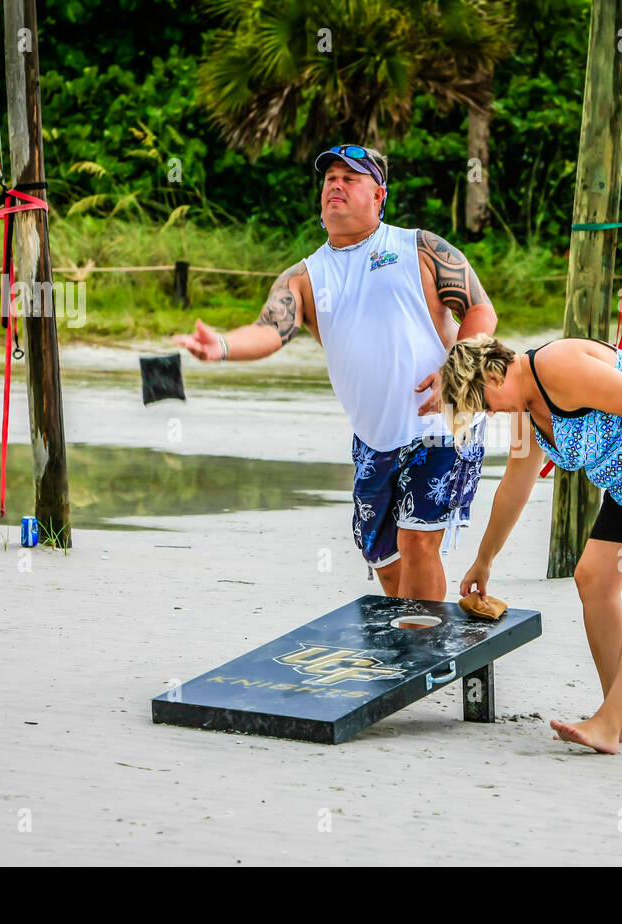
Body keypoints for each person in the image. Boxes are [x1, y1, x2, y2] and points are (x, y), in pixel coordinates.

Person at [173, 145, 497, 600]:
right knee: (383, 557)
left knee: (418, 541)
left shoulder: (421, 248)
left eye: (351, 177)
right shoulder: (304, 277)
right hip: (373, 437)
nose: (336, 185)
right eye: (330, 179)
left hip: (438, 426)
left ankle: (423, 663)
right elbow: (269, 330)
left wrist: (455, 371)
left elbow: (481, 311)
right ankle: (410, 644)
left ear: (379, 194)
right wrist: (222, 346)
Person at [441, 335, 622, 754]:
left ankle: (609, 722)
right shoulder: (527, 412)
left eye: (484, 403)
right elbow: (514, 486)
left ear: (492, 373)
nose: (490, 413)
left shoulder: (557, 367)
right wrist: (484, 559)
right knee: (593, 581)